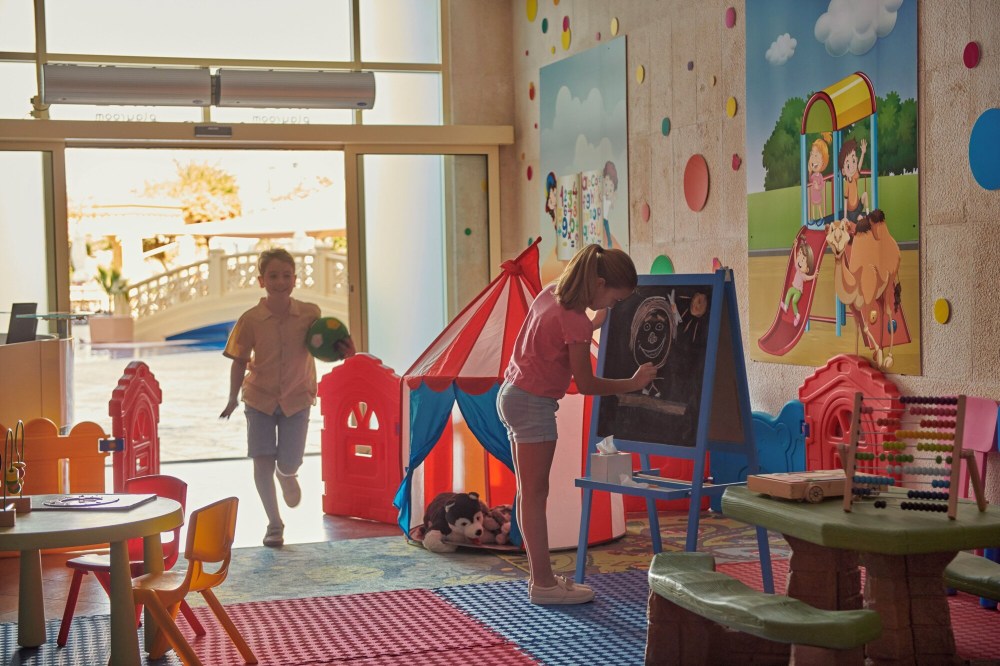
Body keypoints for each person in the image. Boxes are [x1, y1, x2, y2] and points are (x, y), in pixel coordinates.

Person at [497, 244, 657, 604]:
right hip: (533, 404)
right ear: (599, 284)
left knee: (528, 493)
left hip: (512, 394)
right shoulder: (575, 321)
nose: (614, 306)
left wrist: (593, 322)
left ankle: (541, 579)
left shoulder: (553, 292)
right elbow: (586, 384)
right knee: (535, 496)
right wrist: (632, 383)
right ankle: (543, 585)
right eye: (614, 299)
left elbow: (562, 331)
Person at [220, 247, 355, 547]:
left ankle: (287, 473)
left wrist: (347, 352)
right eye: (273, 276)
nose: (279, 282)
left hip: (297, 397)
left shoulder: (310, 313)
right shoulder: (250, 319)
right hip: (259, 398)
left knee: (290, 460)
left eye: (286, 276)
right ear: (261, 281)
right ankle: (274, 523)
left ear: (295, 279)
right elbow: (239, 361)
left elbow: (326, 346)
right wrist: (232, 397)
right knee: (261, 460)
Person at [781, 239, 817, 326]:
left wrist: (814, 275)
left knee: (794, 301)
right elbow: (794, 259)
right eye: (799, 255)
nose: (799, 261)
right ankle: (786, 306)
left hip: (798, 292)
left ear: (807, 269)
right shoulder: (798, 268)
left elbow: (808, 278)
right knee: (789, 291)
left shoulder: (803, 275)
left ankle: (797, 315)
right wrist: (795, 247)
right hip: (794, 288)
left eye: (803, 260)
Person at [839, 137, 868, 222]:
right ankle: (859, 217)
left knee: (865, 194)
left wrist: (863, 153)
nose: (852, 166)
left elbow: (858, 167)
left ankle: (868, 214)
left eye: (854, 161)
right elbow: (845, 200)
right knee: (859, 218)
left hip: (858, 207)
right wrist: (845, 216)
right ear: (843, 171)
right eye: (848, 165)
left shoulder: (854, 176)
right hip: (851, 212)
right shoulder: (847, 183)